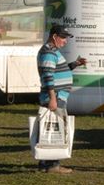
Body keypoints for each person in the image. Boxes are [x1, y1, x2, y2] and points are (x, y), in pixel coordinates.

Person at [36, 25, 86, 174]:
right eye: (63, 37)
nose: (65, 41)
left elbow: (57, 70)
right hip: (55, 97)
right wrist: (52, 98)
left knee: (50, 129)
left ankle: (46, 162)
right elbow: (48, 76)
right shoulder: (49, 52)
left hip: (57, 96)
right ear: (54, 36)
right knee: (55, 130)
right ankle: (53, 165)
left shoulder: (53, 52)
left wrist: (74, 64)